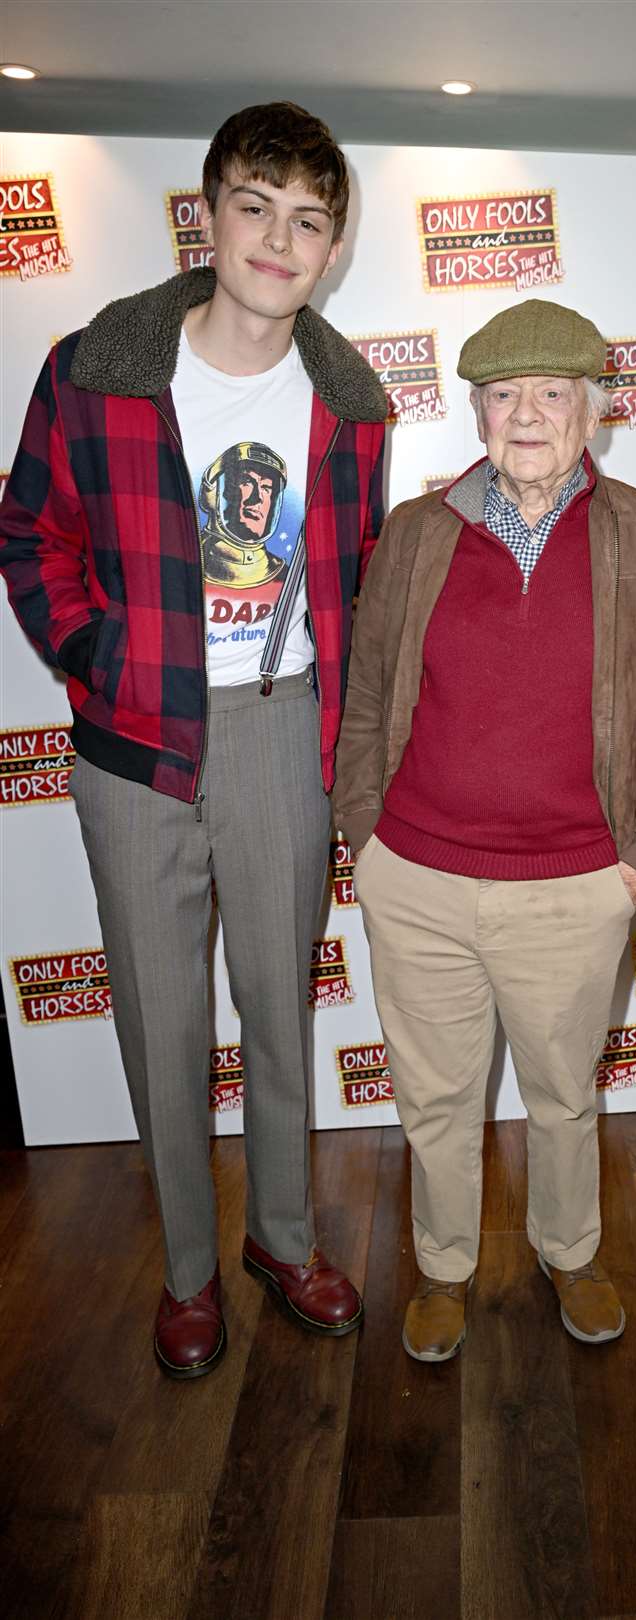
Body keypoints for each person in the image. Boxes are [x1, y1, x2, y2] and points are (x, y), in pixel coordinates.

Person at [0, 101, 388, 1378]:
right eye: (257, 206)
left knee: (282, 1010)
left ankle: (282, 1238)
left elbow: (361, 575)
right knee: (161, 1027)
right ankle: (185, 1271)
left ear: (332, 248)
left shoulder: (351, 405)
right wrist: (98, 657)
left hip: (284, 740)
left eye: (309, 220)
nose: (280, 239)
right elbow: (29, 536)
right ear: (209, 213)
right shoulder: (94, 368)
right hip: (133, 745)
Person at [333, 298, 636, 1362]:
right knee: (436, 1102)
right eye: (504, 396)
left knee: (562, 1094)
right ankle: (444, 1270)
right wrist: (370, 839)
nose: (527, 415)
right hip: (421, 880)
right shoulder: (414, 533)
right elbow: (366, 700)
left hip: (579, 886)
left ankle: (571, 1252)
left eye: (551, 393)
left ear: (595, 408)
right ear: (478, 411)